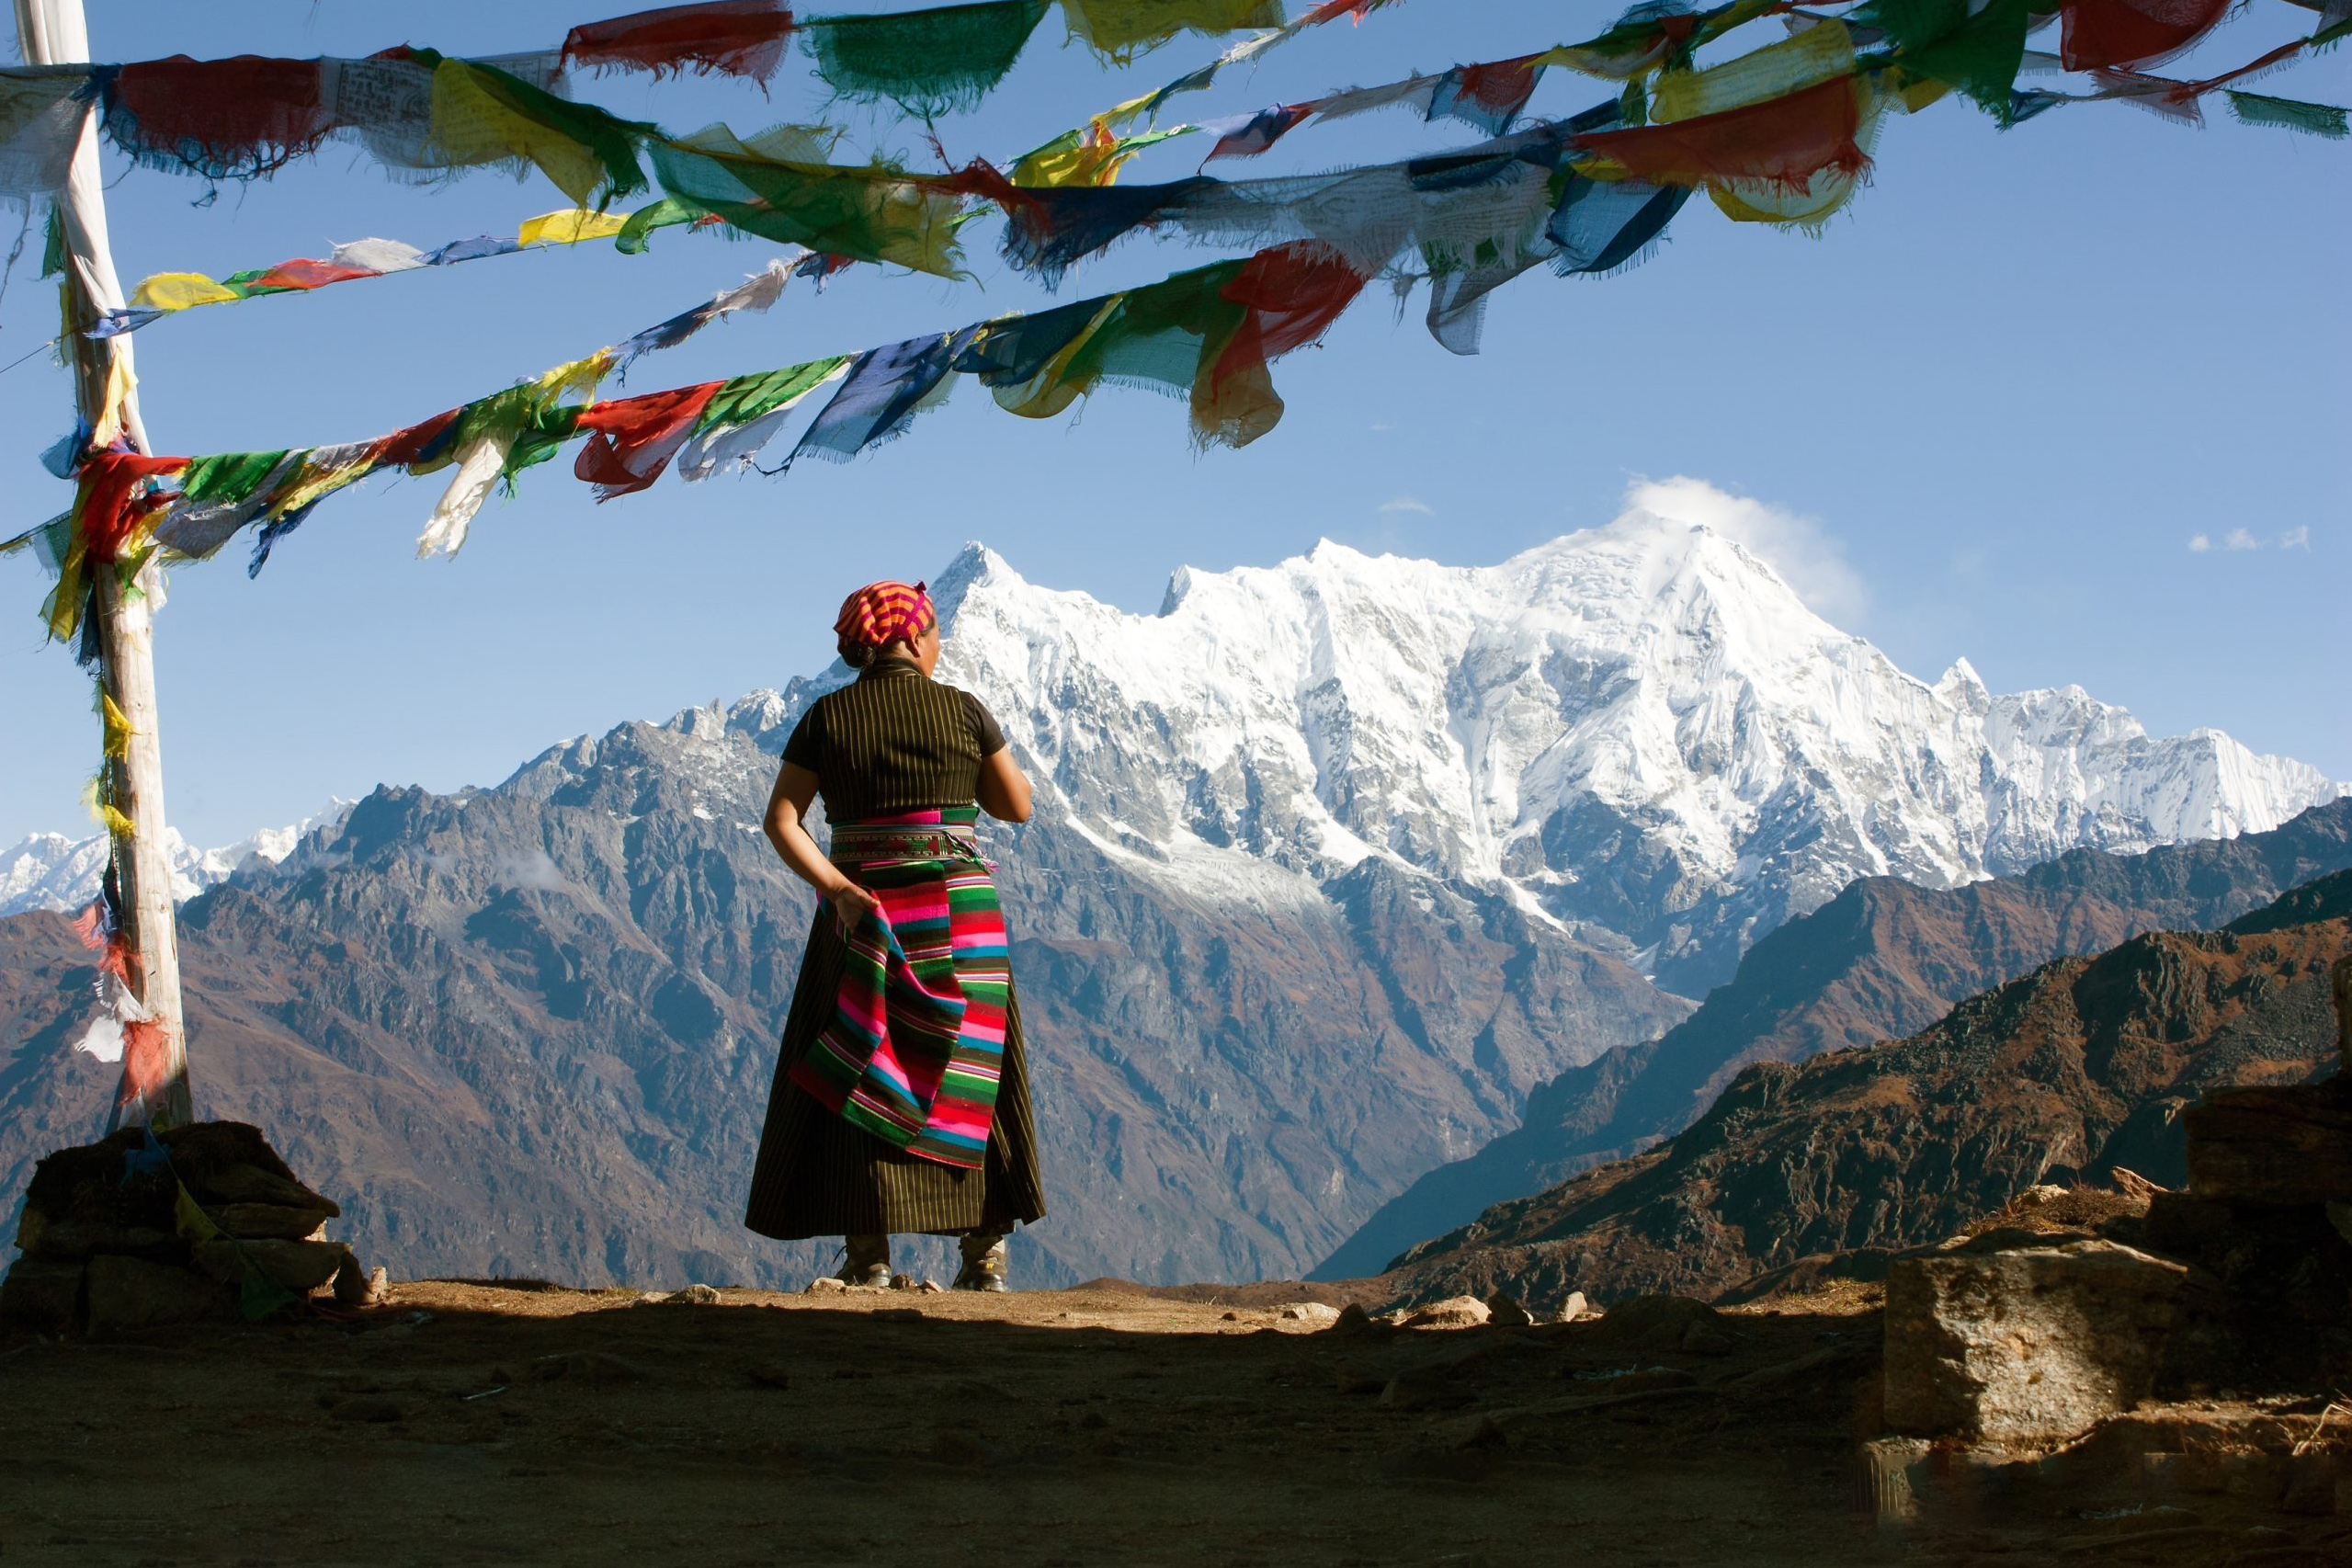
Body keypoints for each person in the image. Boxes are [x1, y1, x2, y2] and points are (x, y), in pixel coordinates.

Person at [744, 579, 1047, 1290]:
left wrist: (841, 890)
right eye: (935, 632)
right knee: (970, 1067)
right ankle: (983, 1257)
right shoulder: (964, 710)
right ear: (911, 638)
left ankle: (869, 1256)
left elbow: (781, 820)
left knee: (862, 1055)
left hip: (864, 911)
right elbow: (1015, 808)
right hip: (960, 911)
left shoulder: (828, 716)